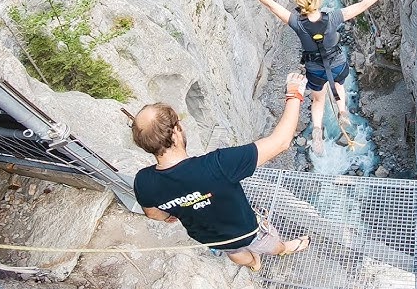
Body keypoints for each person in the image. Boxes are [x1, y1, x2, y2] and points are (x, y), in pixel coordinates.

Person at [132, 73, 311, 272]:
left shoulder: (143, 182)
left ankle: (253, 263)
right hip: (247, 230)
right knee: (270, 243)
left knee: (234, 252)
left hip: (210, 237)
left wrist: (177, 210)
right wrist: (294, 93)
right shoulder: (217, 165)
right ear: (175, 132)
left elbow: (154, 214)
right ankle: (285, 248)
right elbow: (281, 142)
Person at [230, 0, 406, 154]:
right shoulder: (333, 18)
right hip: (337, 64)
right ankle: (342, 112)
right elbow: (364, 4)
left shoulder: (297, 22)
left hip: (315, 70)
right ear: (317, 0)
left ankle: (316, 130)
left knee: (317, 99)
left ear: (299, 3)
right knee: (339, 85)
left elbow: (271, 5)